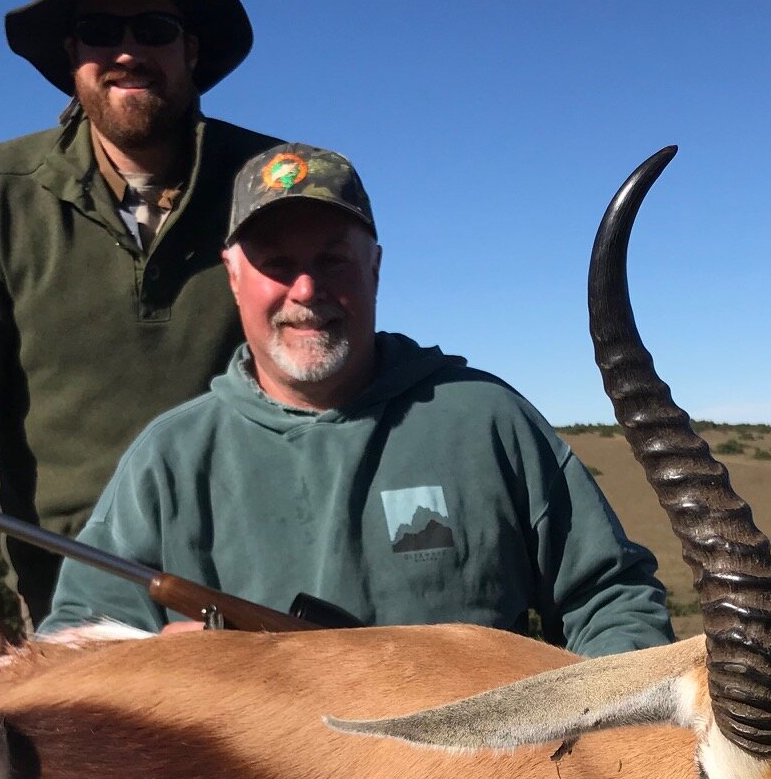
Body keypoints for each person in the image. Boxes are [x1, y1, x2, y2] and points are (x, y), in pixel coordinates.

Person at [41, 146, 672, 656]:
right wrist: (150, 668)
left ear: (374, 268)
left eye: (333, 261)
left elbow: (612, 599)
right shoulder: (170, 457)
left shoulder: (484, 418)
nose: (307, 289)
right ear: (233, 278)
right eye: (277, 263)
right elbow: (74, 644)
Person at [0, 0, 284, 680]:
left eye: (153, 27)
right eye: (97, 31)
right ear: (71, 58)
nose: (126, 51)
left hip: (256, 593)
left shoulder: (270, 183)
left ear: (192, 50)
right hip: (66, 605)